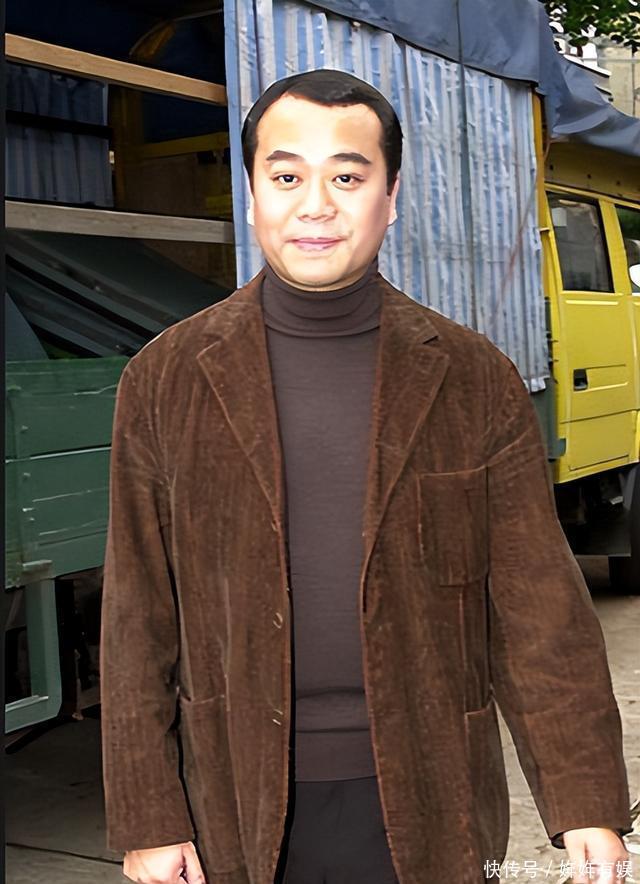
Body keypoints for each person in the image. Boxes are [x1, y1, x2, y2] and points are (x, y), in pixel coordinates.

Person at [100, 69, 633, 884]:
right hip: (230, 801)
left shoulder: (470, 377)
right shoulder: (166, 378)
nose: (316, 205)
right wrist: (149, 819)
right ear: (252, 195)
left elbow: (538, 607)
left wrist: (585, 800)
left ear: (391, 197)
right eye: (287, 177)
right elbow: (137, 618)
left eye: (347, 177)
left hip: (430, 793)